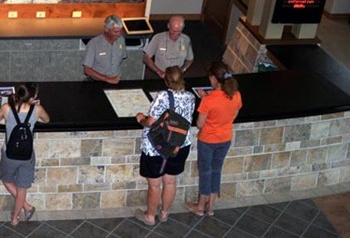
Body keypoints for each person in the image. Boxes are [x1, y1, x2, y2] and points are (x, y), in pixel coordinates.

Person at [135, 66, 195, 226]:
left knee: (155, 185)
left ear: (166, 80)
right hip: (180, 145)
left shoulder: (163, 96)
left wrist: (140, 118)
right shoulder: (190, 96)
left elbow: (151, 122)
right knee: (170, 182)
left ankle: (149, 216)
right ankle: (164, 213)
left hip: (157, 148)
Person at [185, 61, 242, 217]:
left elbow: (199, 123)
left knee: (205, 172)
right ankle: (211, 207)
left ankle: (200, 207)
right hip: (225, 139)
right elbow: (234, 115)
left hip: (208, 140)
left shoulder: (208, 100)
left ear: (214, 79)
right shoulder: (236, 95)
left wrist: (205, 99)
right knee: (216, 171)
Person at [0, 83, 50, 226]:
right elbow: (47, 120)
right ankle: (15, 218)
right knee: (21, 187)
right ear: (33, 96)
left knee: (6, 179)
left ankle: (27, 206)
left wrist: (8, 122)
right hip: (27, 155)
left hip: (9, 154)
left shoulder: (7, 108)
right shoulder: (37, 109)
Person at [82, 15, 127, 84]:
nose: (119, 34)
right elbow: (87, 70)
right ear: (106, 29)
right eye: (115, 32)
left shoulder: (121, 40)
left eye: (120, 31)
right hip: (97, 81)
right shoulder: (94, 44)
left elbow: (122, 57)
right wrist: (107, 79)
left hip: (116, 80)